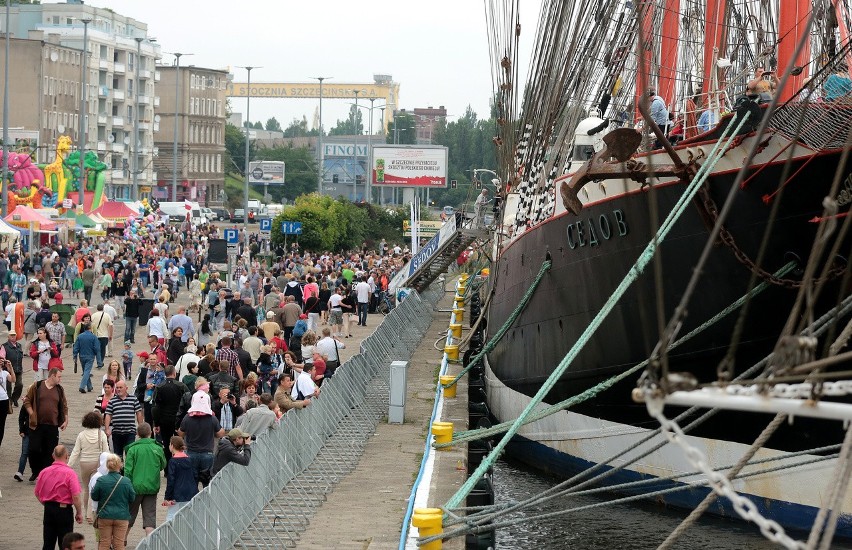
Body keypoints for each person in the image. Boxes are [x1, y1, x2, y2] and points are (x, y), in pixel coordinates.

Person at [34, 445, 83, 550]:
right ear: (67, 456)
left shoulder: (44, 472)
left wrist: (46, 503)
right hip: (64, 510)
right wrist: (79, 512)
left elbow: (37, 493)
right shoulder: (70, 473)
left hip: (49, 509)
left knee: (48, 542)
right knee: (65, 543)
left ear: (53, 456)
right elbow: (76, 496)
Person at [24, 368, 69, 478]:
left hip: (52, 425)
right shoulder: (37, 386)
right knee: (33, 449)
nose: (60, 379)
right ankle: (36, 470)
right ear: (52, 376)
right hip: (37, 425)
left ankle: (45, 474)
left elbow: (64, 406)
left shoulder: (59, 389)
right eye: (59, 376)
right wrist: (32, 414)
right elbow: (27, 400)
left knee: (49, 451)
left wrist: (66, 420)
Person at [124, 423, 166, 537]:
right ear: (150, 433)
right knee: (150, 517)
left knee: (130, 514)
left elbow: (128, 471)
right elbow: (163, 465)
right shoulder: (157, 448)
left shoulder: (132, 449)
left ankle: (121, 541)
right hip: (152, 486)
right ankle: (150, 542)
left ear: (137, 434)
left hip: (134, 487)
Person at [178, 390, 225, 487]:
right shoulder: (212, 418)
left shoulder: (187, 418)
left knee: (191, 482)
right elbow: (220, 434)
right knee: (207, 483)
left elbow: (181, 434)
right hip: (207, 453)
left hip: (191, 453)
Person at [90, 453, 135, 550]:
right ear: (120, 465)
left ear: (107, 465)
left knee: (104, 543)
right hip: (121, 516)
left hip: (105, 515)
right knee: (119, 544)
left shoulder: (101, 480)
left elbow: (94, 496)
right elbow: (132, 498)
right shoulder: (126, 481)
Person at [67, 411, 109, 516]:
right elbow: (106, 452)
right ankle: (93, 512)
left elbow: (75, 452)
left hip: (84, 463)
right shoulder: (101, 434)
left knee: (86, 488)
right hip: (97, 464)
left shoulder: (81, 435)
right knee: (95, 488)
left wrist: (68, 466)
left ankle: (86, 512)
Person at [151, 365, 188, 462]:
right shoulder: (181, 386)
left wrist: (157, 423)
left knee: (167, 443)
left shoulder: (159, 387)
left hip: (164, 419)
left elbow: (155, 407)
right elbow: (188, 400)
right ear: (174, 373)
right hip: (178, 419)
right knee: (180, 443)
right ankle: (179, 463)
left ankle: (168, 468)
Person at [104, 380, 143, 459]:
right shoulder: (112, 401)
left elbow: (139, 413)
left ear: (126, 388)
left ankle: (128, 471)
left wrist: (140, 427)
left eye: (120, 387)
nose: (118, 389)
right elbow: (108, 415)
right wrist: (107, 428)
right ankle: (119, 471)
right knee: (118, 456)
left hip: (130, 432)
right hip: (116, 432)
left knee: (130, 454)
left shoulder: (133, 399)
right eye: (117, 388)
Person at [163, 436, 197, 521]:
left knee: (171, 515)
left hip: (177, 492)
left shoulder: (173, 461)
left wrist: (167, 497)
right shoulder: (189, 459)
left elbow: (171, 480)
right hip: (190, 491)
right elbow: (195, 475)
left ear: (172, 445)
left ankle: (170, 533)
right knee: (186, 515)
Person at [73, 324, 102, 394]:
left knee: (86, 371)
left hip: (82, 356)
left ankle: (89, 386)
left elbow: (76, 347)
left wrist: (75, 356)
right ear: (90, 328)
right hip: (90, 356)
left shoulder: (80, 336)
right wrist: (99, 361)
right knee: (87, 371)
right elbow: (97, 348)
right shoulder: (94, 337)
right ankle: (82, 386)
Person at [0, 331, 25, 407]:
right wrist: (5, 361)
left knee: (19, 385)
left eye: (14, 335)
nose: (13, 337)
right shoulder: (4, 346)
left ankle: (14, 398)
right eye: (11, 335)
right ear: (8, 337)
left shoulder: (19, 345)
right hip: (8, 369)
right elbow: (2, 356)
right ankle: (9, 401)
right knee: (8, 387)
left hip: (18, 369)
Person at [0, 354, 15, 448]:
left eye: (2, 361)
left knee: (1, 425)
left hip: (4, 400)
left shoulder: (5, 373)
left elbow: (13, 380)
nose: (1, 362)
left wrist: (10, 368)